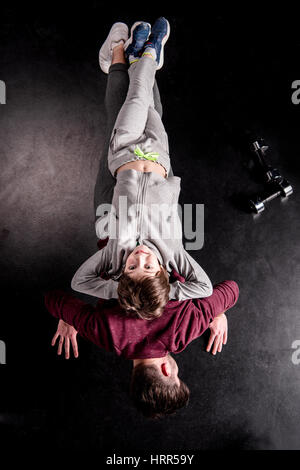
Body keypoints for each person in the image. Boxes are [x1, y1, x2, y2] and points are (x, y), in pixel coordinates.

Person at [70, 18, 213, 320]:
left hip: (124, 151)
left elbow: (79, 282)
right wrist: (168, 291)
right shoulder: (175, 256)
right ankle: (137, 56)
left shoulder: (114, 255)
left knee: (137, 97)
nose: (140, 258)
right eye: (147, 266)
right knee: (149, 104)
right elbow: (204, 288)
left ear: (123, 272)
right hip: (158, 156)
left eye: (132, 268)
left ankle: (148, 51)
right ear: (163, 271)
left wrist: (116, 289)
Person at [45, 276, 239, 419]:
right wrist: (68, 317)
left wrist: (217, 312)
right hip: (114, 238)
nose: (177, 371)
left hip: (166, 236)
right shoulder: (102, 334)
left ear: (166, 370)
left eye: (177, 376)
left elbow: (231, 288)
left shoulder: (185, 331)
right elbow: (53, 299)